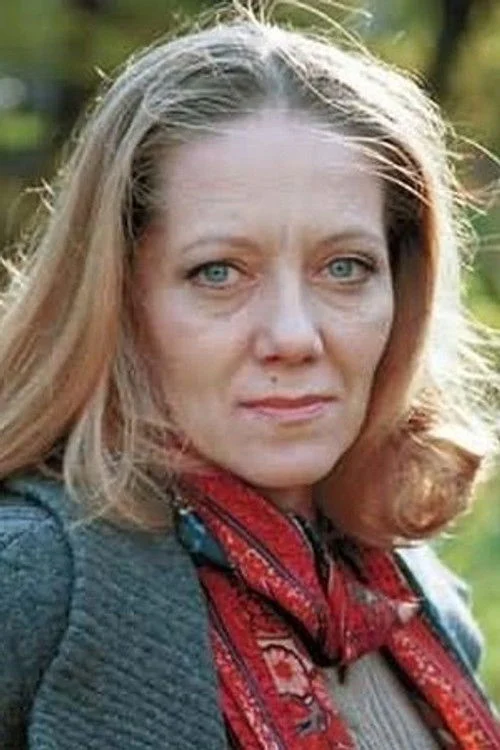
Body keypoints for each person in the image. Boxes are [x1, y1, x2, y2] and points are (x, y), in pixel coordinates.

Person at [0, 6, 499, 749]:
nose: (294, 337)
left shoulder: (407, 592)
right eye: (219, 272)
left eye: (344, 267)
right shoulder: (30, 585)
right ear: (120, 297)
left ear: (401, 287)